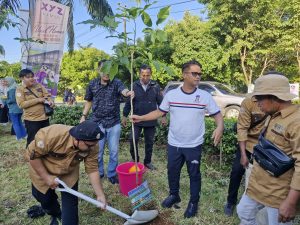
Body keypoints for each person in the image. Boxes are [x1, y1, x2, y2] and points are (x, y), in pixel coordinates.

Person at [131, 60, 224, 218]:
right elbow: (159, 112)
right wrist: (141, 118)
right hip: (174, 143)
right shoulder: (172, 95)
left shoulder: (204, 96)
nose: (198, 77)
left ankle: (193, 202)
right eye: (194, 73)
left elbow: (217, 114)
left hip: (194, 145)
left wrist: (220, 127)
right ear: (184, 75)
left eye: (199, 74)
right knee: (172, 171)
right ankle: (174, 195)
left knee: (194, 174)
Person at [237, 73, 300, 225]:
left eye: (259, 98)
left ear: (273, 97)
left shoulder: (296, 122)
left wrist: (291, 202)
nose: (256, 102)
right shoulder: (272, 114)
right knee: (243, 212)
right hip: (258, 186)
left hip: (278, 194)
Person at [26, 120, 106, 225]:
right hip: (43, 170)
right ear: (77, 139)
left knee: (70, 210)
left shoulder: (92, 144)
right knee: (45, 200)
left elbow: (92, 169)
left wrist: (100, 195)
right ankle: (55, 212)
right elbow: (32, 156)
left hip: (68, 173)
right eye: (89, 145)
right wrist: (46, 177)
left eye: (94, 145)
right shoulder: (52, 136)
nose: (92, 147)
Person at [80, 59, 134, 184]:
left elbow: (123, 90)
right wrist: (84, 115)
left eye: (109, 70)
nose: (106, 73)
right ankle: (99, 173)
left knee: (114, 151)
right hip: (97, 123)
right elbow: (89, 101)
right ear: (98, 70)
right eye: (103, 70)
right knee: (98, 152)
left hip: (114, 123)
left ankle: (112, 174)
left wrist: (128, 92)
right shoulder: (92, 84)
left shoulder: (116, 82)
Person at [224, 97, 267, 216]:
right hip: (247, 143)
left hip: (265, 147)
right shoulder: (249, 102)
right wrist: (243, 154)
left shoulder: (276, 102)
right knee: (236, 171)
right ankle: (230, 202)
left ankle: (258, 205)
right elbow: (242, 128)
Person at [122, 64, 167, 170]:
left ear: (150, 75)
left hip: (151, 119)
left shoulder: (155, 86)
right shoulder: (133, 85)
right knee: (133, 139)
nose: (145, 77)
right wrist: (124, 116)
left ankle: (147, 162)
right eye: (143, 75)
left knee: (149, 142)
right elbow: (128, 103)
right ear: (139, 75)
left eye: (147, 75)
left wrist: (164, 116)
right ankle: (135, 160)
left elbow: (161, 103)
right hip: (136, 119)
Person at [16, 69, 55, 147]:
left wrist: (51, 101)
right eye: (28, 77)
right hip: (32, 120)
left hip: (44, 118)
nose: (31, 78)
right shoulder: (20, 89)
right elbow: (21, 104)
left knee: (45, 138)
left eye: (32, 76)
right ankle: (30, 156)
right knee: (32, 140)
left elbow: (47, 96)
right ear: (22, 78)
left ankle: (43, 154)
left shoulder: (39, 85)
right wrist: (38, 100)